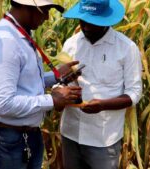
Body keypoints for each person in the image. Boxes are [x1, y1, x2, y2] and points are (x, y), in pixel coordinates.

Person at [0, 0, 82, 168]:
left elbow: (23, 82)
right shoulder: (6, 42)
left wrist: (54, 77)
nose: (47, 18)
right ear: (26, 7)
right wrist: (52, 100)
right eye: (44, 11)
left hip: (20, 136)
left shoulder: (21, 34)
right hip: (5, 140)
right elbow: (3, 103)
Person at [60, 0, 143, 169]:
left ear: (106, 20)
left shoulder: (126, 48)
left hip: (104, 139)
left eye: (93, 22)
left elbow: (134, 93)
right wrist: (62, 88)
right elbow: (59, 81)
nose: (86, 27)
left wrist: (103, 105)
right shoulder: (71, 43)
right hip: (70, 132)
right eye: (83, 21)